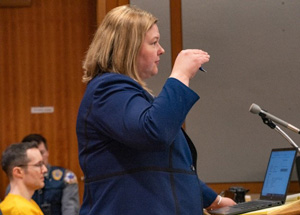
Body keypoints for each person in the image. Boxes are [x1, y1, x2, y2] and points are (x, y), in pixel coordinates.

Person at [76, 5, 236, 215]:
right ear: (128, 48)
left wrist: (214, 200)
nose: (161, 50)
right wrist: (180, 75)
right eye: (153, 43)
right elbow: (154, 132)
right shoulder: (107, 90)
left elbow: (167, 166)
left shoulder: (131, 97)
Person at [20, 134, 80, 215]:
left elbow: (70, 210)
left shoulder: (66, 177)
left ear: (48, 152)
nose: (39, 158)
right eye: (33, 155)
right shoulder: (18, 181)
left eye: (42, 152)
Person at [0, 141, 47, 215]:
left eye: (43, 164)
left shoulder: (27, 203)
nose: (45, 170)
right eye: (38, 165)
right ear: (18, 172)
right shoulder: (20, 210)